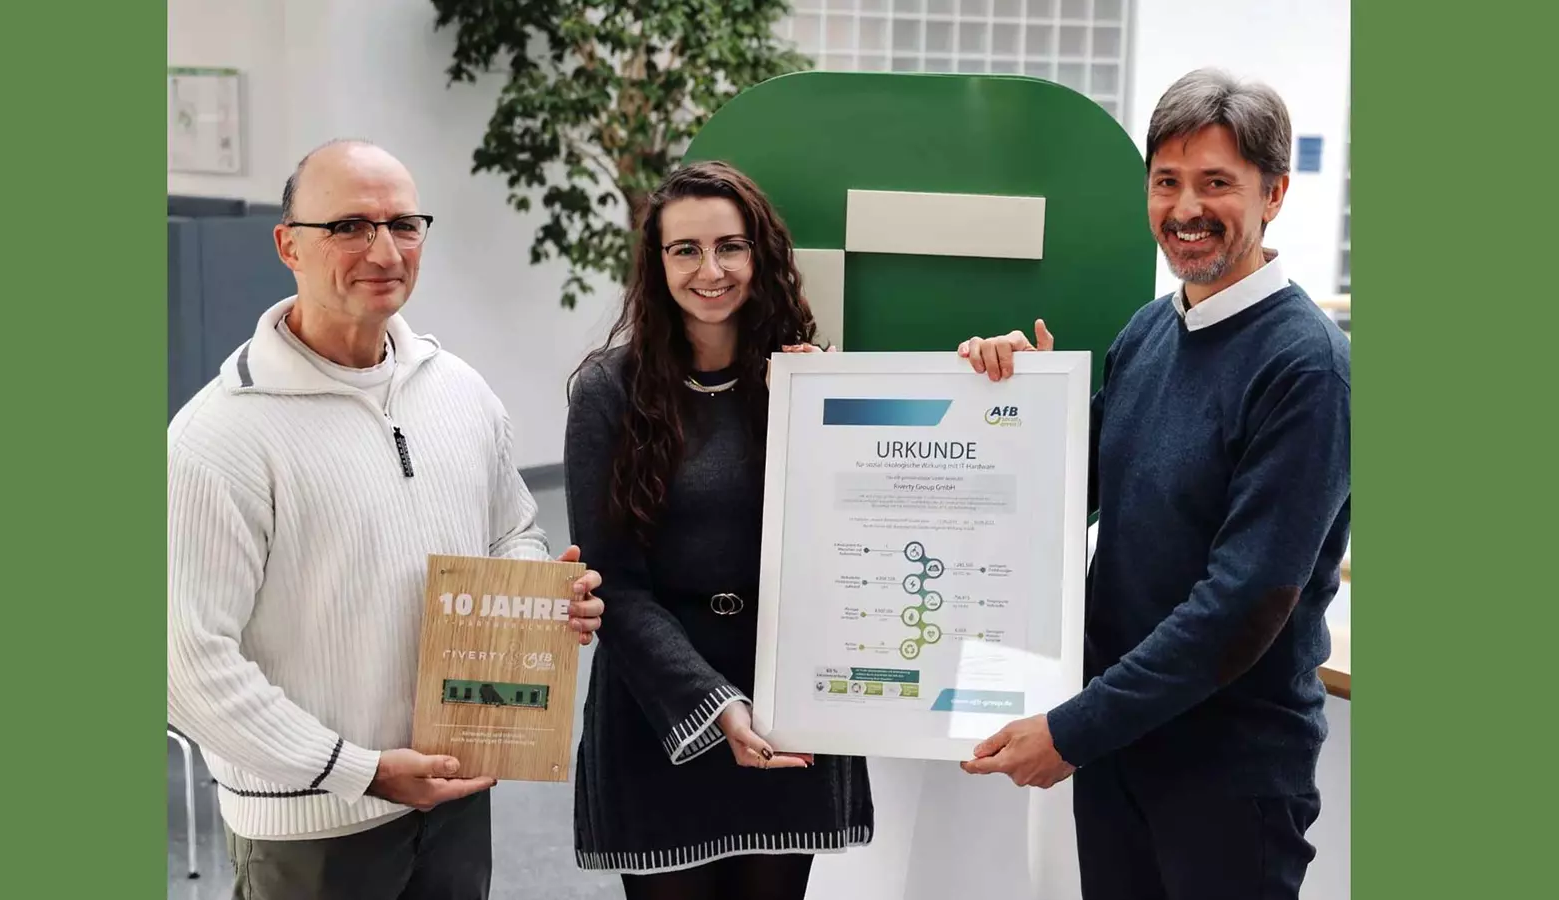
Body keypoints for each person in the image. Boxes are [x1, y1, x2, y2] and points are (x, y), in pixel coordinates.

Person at [166, 138, 606, 900]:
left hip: (456, 789)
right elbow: (184, 667)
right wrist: (361, 772)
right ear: (287, 245)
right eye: (349, 226)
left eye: (404, 224)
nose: (383, 249)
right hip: (312, 828)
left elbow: (512, 533)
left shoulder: (459, 390)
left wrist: (541, 597)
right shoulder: (219, 436)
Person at [957, 69, 1351, 899]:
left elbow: (1241, 607)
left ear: (1274, 193)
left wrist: (1072, 730)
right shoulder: (1150, 331)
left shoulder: (1307, 367)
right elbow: (1066, 488)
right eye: (1166, 182)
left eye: (1217, 183)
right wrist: (1010, 398)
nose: (1185, 209)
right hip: (1124, 757)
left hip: (1229, 780)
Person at [564, 160, 873, 900]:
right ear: (657, 263)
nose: (712, 269)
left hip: (785, 701)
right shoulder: (608, 391)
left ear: (759, 255)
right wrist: (715, 704)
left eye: (729, 247)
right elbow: (617, 584)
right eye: (686, 250)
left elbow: (849, 542)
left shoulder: (807, 381)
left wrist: (813, 419)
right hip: (660, 710)